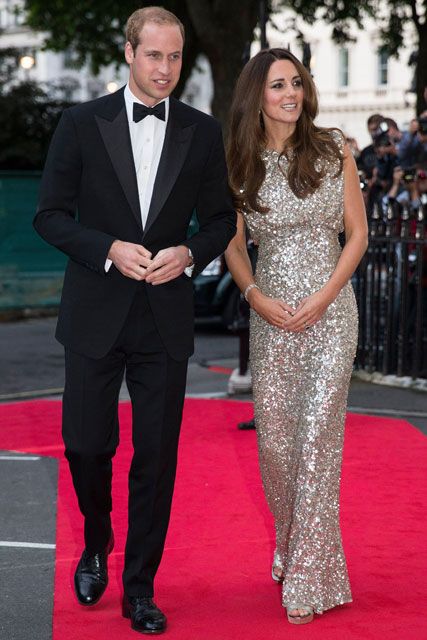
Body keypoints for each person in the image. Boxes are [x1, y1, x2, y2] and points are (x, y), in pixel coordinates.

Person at [33, 6, 236, 635]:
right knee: (86, 445)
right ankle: (97, 539)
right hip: (95, 311)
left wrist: (189, 253)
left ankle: (140, 588)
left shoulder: (202, 132)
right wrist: (107, 249)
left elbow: (222, 220)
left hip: (165, 319)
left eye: (175, 57)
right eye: (154, 55)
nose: (166, 69)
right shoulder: (80, 123)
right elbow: (50, 215)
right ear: (129, 53)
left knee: (158, 457)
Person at [225, 48, 368, 625]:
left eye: (298, 84)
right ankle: (291, 545)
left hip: (330, 315)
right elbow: (233, 245)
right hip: (272, 318)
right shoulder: (239, 162)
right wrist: (256, 296)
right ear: (256, 95)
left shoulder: (334, 151)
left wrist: (325, 296)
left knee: (314, 443)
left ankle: (312, 576)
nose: (291, 94)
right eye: (279, 85)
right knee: (276, 447)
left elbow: (356, 235)